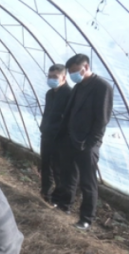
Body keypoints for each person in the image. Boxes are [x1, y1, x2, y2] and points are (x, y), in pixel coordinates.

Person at [53, 54, 113, 231]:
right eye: (70, 73)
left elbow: (102, 119)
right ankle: (66, 205)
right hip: (71, 139)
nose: (72, 76)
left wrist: (91, 143)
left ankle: (86, 218)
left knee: (88, 182)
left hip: (87, 143)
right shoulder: (79, 87)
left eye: (74, 72)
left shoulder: (102, 87)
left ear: (85, 68)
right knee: (69, 176)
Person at [39, 64, 71, 203]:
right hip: (47, 134)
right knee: (45, 165)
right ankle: (45, 192)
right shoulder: (50, 94)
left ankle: (58, 197)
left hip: (60, 137)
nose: (51, 79)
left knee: (58, 169)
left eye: (55, 77)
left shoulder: (69, 94)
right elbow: (47, 113)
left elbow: (68, 118)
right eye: (49, 76)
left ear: (63, 77)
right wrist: (43, 127)